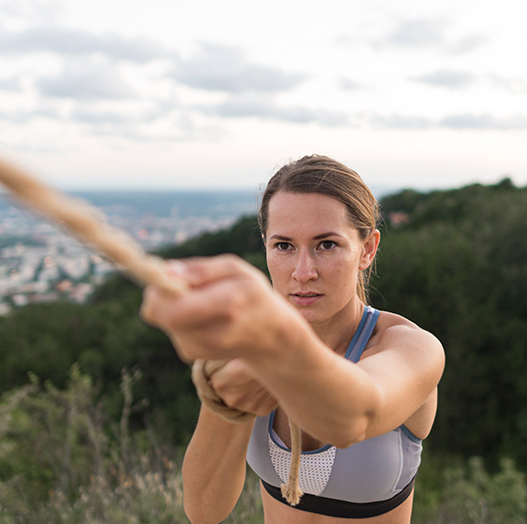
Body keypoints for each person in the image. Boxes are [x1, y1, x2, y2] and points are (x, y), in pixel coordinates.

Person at [141, 155, 444, 523]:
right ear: (266, 247)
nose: (303, 272)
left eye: (327, 245)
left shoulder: (412, 348)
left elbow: (355, 417)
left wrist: (272, 345)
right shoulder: (252, 355)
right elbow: (204, 510)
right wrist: (227, 396)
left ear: (367, 250)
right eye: (284, 246)